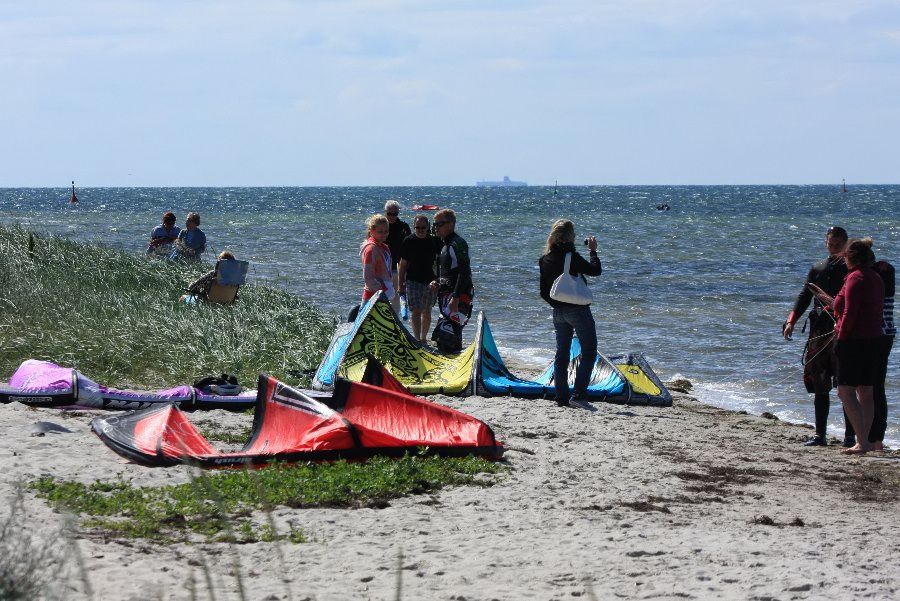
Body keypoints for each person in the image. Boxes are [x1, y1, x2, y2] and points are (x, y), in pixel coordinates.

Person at [782, 226, 850, 447]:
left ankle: (850, 435)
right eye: (831, 244)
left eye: (839, 244)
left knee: (845, 385)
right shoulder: (818, 267)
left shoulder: (852, 269)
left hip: (842, 332)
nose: (834, 248)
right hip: (819, 331)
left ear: (846, 244)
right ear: (826, 243)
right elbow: (804, 296)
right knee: (820, 385)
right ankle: (820, 434)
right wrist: (791, 321)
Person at [539, 219, 602, 410]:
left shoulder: (545, 259)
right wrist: (593, 251)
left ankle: (561, 397)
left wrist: (558, 304)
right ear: (571, 236)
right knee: (589, 351)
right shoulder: (571, 257)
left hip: (557, 312)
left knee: (562, 354)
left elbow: (543, 292)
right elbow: (595, 271)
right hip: (578, 310)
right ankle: (579, 394)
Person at [832, 239, 884, 455]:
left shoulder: (855, 278)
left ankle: (862, 441)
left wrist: (842, 338)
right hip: (875, 340)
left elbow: (849, 313)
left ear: (850, 258)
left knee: (845, 392)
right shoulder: (876, 276)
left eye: (844, 258)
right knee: (866, 391)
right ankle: (867, 440)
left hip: (854, 341)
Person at [429, 209, 474, 353]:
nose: (436, 227)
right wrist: (436, 281)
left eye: (439, 224)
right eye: (435, 224)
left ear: (451, 224)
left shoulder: (457, 243)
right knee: (443, 335)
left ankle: (454, 362)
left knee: (450, 334)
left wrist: (455, 296)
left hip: (458, 297)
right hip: (447, 296)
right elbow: (448, 272)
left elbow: (464, 271)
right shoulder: (444, 245)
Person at [398, 214, 441, 343]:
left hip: (431, 281)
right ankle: (417, 339)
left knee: (427, 311)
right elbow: (402, 264)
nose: (421, 230)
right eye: (418, 227)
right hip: (412, 280)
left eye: (423, 227)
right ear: (414, 227)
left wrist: (439, 280)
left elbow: (441, 263)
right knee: (416, 311)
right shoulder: (408, 241)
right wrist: (400, 284)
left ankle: (423, 338)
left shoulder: (434, 241)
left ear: (428, 227)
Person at [870, 242, 894, 451]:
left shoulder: (881, 271)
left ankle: (875, 438)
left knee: (873, 387)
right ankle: (874, 437)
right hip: (882, 334)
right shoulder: (883, 270)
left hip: (878, 335)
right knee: (873, 387)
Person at [360, 214, 395, 303]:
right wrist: (383, 291)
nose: (384, 234)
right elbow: (368, 278)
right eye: (380, 232)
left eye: (386, 231)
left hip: (383, 298)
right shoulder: (371, 249)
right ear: (371, 231)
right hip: (372, 298)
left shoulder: (384, 247)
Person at [384, 200, 411, 314]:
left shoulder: (403, 227)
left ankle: (395, 322)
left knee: (396, 300)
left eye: (394, 214)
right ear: (385, 212)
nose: (392, 217)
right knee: (382, 298)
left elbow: (410, 247)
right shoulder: (381, 226)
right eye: (389, 214)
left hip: (398, 268)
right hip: (383, 268)